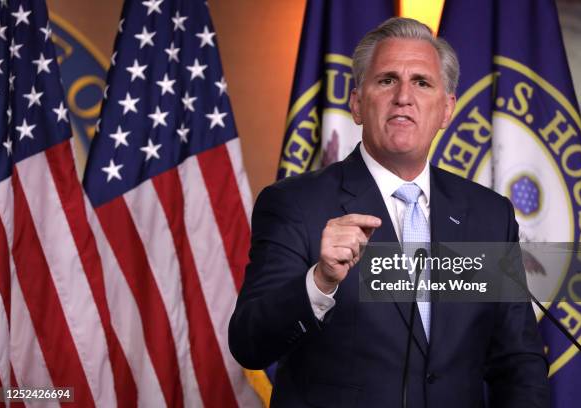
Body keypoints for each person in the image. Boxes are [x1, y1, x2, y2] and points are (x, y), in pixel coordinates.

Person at [229, 17, 550, 407]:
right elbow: (249, 343)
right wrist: (320, 281)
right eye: (386, 80)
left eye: (422, 82)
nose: (403, 96)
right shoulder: (295, 205)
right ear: (356, 104)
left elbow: (518, 361)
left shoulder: (488, 216)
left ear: (446, 110)